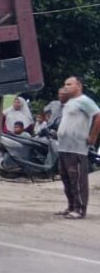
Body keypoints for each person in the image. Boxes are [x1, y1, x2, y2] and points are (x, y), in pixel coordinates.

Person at [54, 75, 100, 219]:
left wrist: (92, 137)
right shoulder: (70, 102)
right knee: (66, 178)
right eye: (65, 84)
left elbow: (98, 116)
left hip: (77, 148)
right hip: (64, 147)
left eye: (69, 84)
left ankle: (80, 210)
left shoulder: (84, 101)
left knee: (77, 179)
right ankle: (71, 206)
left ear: (78, 86)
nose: (66, 87)